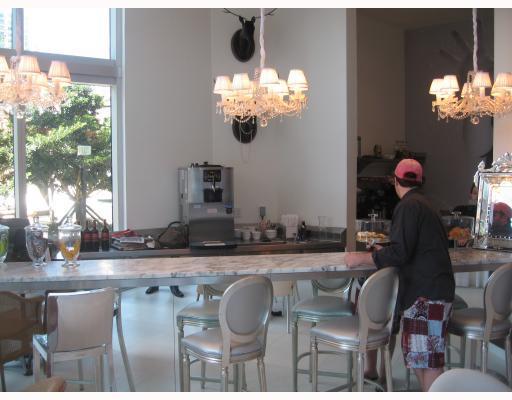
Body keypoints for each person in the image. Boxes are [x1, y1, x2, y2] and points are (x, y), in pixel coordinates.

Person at [346, 158, 455, 392]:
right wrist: (384, 251)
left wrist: (360, 258)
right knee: (423, 358)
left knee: (428, 362)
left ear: (395, 181)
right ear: (420, 181)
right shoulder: (426, 204)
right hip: (435, 290)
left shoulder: (407, 206)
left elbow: (400, 253)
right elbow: (409, 247)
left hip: (426, 294)